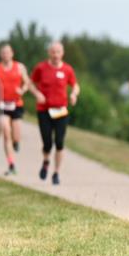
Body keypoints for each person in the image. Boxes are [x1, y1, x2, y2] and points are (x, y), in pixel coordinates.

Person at [30, 41, 79, 185]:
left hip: (61, 111)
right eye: (53, 52)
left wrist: (74, 94)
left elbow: (75, 85)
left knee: (59, 142)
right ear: (48, 53)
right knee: (47, 143)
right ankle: (46, 161)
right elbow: (31, 83)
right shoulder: (41, 68)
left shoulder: (67, 70)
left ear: (62, 53)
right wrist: (37, 94)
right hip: (44, 110)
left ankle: (56, 172)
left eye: (58, 52)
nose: (55, 55)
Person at [0, 44, 33, 175]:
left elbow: (27, 82)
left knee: (16, 135)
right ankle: (11, 164)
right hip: (2, 104)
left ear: (12, 53)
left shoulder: (20, 67)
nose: (6, 55)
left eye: (8, 52)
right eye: (3, 53)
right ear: (1, 55)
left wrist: (22, 90)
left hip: (16, 104)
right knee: (6, 132)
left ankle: (16, 142)